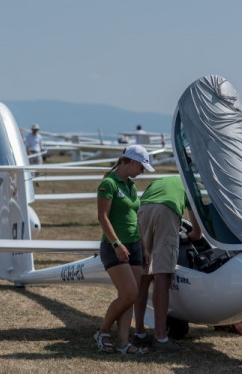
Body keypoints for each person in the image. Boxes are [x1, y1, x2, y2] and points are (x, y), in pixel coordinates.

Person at [93, 145, 154, 355]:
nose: (142, 172)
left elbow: (134, 219)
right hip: (115, 246)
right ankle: (103, 331)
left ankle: (123, 343)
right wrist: (116, 243)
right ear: (132, 162)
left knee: (131, 296)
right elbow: (103, 217)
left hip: (135, 246)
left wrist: (144, 248)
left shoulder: (131, 186)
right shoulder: (108, 184)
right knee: (129, 293)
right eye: (141, 167)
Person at [134, 175, 201, 352]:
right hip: (166, 213)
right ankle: (161, 337)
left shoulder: (157, 182)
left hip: (142, 211)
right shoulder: (191, 184)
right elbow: (198, 232)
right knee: (162, 275)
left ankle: (139, 333)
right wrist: (189, 236)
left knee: (143, 276)